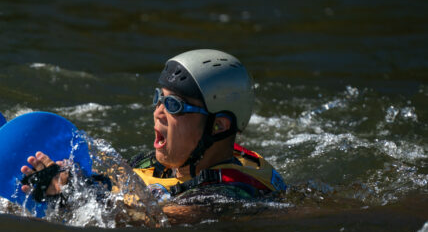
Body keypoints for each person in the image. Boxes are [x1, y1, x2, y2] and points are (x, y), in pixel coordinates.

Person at [19, 49, 286, 223]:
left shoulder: (228, 195)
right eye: (159, 99)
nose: (158, 112)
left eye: (174, 106)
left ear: (218, 126)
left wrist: (73, 194)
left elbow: (152, 220)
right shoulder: (152, 163)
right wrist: (70, 177)